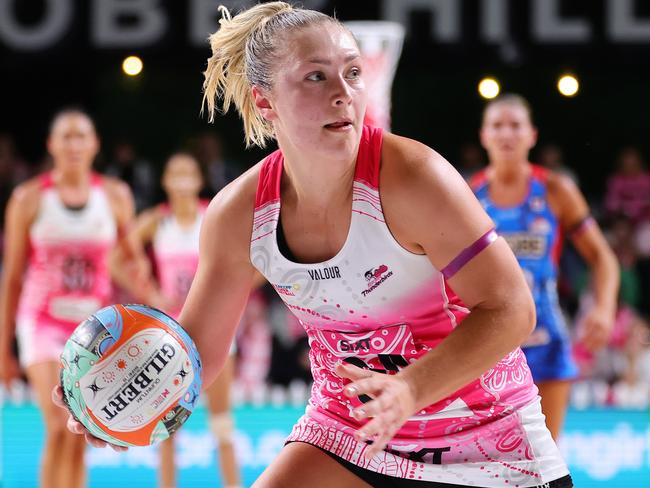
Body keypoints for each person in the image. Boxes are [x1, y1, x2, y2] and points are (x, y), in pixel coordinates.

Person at [57, 4, 572, 487]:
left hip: (486, 441)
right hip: (349, 433)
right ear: (264, 100)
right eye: (315, 75)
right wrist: (109, 403)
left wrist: (410, 389)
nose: (343, 92)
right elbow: (194, 357)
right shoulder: (239, 216)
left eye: (352, 72)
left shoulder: (416, 178)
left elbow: (511, 309)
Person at [471, 94, 620, 440]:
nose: (506, 133)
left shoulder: (556, 189)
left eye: (515, 125)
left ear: (531, 135)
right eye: (497, 125)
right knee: (489, 459)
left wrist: (604, 307)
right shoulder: (469, 195)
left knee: (548, 456)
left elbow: (603, 256)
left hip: (546, 338)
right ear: (484, 136)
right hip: (486, 343)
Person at [0, 108, 135, 488]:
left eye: (81, 136)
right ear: (51, 145)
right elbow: (11, 277)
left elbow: (133, 265)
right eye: (66, 137)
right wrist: (2, 347)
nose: (74, 144)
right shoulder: (28, 198)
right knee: (60, 423)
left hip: (92, 330)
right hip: (40, 321)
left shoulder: (114, 195)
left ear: (94, 145)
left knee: (80, 432)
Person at [109, 152, 241, 488]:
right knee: (166, 429)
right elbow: (114, 259)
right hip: (171, 336)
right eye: (175, 173)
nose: (182, 179)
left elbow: (248, 262)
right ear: (165, 182)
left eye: (188, 173)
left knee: (222, 424)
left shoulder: (212, 215)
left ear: (199, 180)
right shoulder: (157, 220)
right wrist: (150, 294)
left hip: (215, 327)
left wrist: (228, 294)